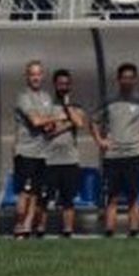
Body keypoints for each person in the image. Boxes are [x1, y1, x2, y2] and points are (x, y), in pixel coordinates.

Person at [91, 64, 139, 238]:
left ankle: (134, 231)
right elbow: (93, 120)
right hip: (113, 154)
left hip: (133, 154)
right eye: (125, 77)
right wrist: (100, 140)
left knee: (133, 195)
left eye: (131, 78)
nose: (128, 81)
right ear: (119, 79)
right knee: (112, 196)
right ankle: (109, 231)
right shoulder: (109, 101)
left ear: (135, 80)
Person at [40, 70, 87, 237]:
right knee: (44, 198)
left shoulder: (75, 106)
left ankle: (67, 230)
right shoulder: (47, 107)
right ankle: (40, 230)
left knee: (68, 199)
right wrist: (66, 124)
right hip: (49, 159)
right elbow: (46, 129)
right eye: (61, 84)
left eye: (66, 84)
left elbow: (79, 122)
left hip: (69, 160)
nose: (64, 87)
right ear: (54, 85)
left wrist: (67, 109)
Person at [10, 60, 53, 238]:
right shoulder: (23, 97)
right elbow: (36, 121)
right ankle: (18, 227)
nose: (36, 77)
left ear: (42, 76)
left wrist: (49, 121)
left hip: (42, 153)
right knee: (25, 192)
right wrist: (56, 117)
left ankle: (27, 228)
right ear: (27, 77)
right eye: (32, 74)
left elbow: (48, 125)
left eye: (38, 74)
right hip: (25, 152)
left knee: (35, 193)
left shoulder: (46, 97)